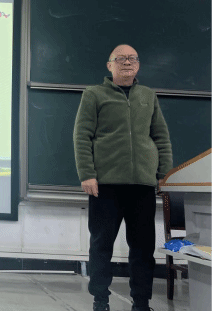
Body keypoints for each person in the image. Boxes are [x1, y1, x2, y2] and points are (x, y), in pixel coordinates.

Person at [73, 45, 173, 312]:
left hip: (142, 185)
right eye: (120, 59)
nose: (127, 63)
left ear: (138, 65)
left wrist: (164, 175)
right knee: (101, 245)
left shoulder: (148, 96)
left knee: (143, 248)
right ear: (110, 65)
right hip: (105, 185)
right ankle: (100, 301)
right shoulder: (93, 94)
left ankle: (141, 303)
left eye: (132, 59)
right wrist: (87, 174)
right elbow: (82, 136)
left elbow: (161, 137)